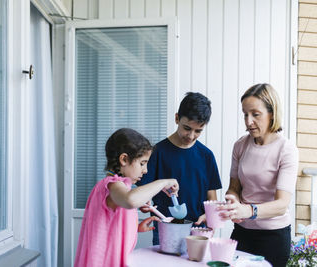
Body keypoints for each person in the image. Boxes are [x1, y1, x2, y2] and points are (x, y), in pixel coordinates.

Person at [74, 128, 179, 267]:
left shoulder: (118, 188)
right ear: (124, 159)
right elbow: (131, 200)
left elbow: (111, 223)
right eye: (142, 163)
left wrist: (134, 227)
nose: (145, 170)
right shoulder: (112, 185)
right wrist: (163, 182)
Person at [219, 83, 298, 267]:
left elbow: (281, 204)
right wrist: (232, 200)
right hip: (241, 232)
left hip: (273, 237)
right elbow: (234, 187)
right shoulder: (240, 145)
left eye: (255, 114)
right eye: (245, 114)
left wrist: (247, 210)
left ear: (272, 113)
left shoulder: (286, 150)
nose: (248, 121)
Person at [138, 92, 222, 245]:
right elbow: (143, 191)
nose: (191, 135)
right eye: (187, 128)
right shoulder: (157, 152)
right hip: (166, 228)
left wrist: (210, 217)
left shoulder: (206, 156)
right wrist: (144, 203)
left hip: (198, 229)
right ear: (177, 118)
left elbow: (212, 198)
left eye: (198, 131)